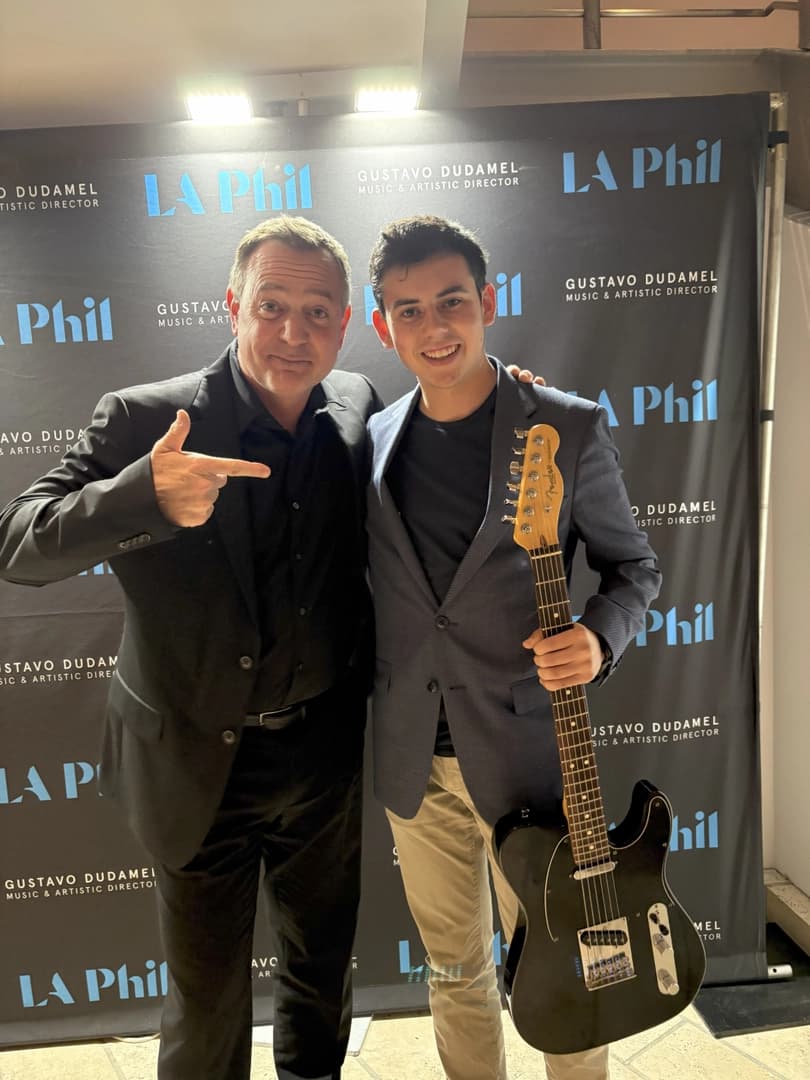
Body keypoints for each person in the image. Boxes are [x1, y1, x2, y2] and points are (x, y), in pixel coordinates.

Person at [0, 216, 382, 1080]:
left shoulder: (357, 405)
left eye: (317, 311)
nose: (294, 332)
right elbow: (16, 543)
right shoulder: (146, 420)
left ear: (345, 320)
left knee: (322, 974)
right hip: (198, 761)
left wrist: (514, 404)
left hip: (323, 756)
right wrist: (140, 496)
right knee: (207, 1004)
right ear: (232, 305)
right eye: (272, 305)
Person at [365, 215, 662, 1080]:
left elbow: (633, 566)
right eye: (409, 310)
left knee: (571, 962)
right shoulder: (371, 441)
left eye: (452, 301)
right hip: (413, 762)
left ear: (488, 303)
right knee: (455, 971)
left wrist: (598, 639)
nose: (435, 327)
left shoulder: (564, 426)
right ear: (383, 325)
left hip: (535, 759)